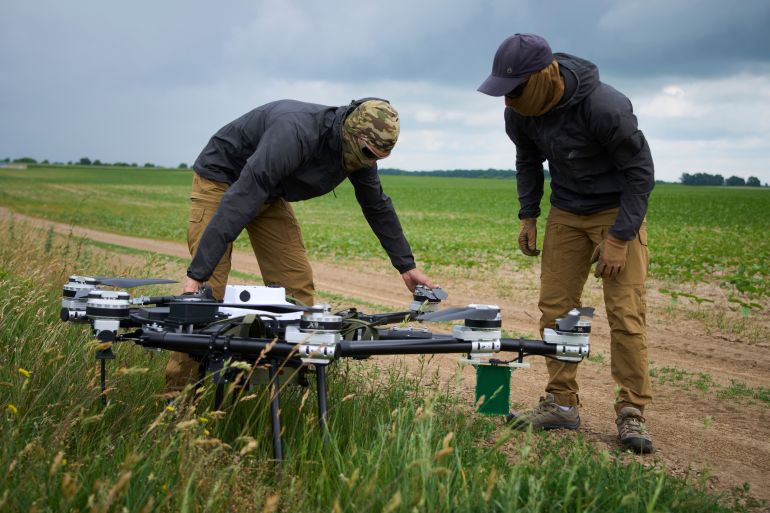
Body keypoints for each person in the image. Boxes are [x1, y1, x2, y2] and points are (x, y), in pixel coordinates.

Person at [166, 98, 436, 392]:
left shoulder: (360, 152)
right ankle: (175, 402)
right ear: (351, 133)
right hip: (224, 181)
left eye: (378, 158)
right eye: (368, 154)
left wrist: (406, 266)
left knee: (296, 289)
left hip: (270, 191)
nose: (370, 163)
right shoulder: (295, 132)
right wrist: (198, 273)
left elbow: (377, 206)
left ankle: (279, 389)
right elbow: (243, 195)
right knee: (205, 296)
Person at [477, 34, 655, 453]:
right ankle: (561, 403)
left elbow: (640, 173)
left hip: (616, 211)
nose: (508, 101)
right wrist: (528, 213)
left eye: (515, 90)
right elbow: (527, 160)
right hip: (567, 213)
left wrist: (619, 237)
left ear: (543, 76)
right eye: (504, 92)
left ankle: (632, 413)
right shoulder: (520, 115)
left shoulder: (604, 106)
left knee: (625, 314)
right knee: (556, 309)